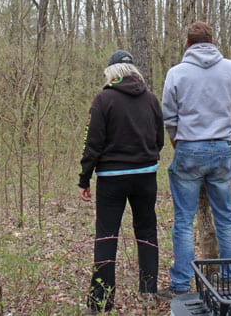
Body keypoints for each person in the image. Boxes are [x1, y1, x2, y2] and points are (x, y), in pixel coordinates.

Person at [160, 21, 231, 297]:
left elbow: (169, 117)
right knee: (225, 216)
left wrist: (177, 142)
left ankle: (181, 284)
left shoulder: (176, 73)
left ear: (187, 44)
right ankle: (230, 276)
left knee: (183, 220)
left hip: (188, 149)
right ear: (212, 42)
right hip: (222, 149)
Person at [78, 50, 164, 313]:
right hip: (145, 176)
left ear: (111, 72)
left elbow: (93, 143)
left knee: (106, 235)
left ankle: (101, 302)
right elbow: (159, 139)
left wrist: (85, 178)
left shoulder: (103, 99)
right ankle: (148, 292)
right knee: (147, 232)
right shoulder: (150, 99)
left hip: (111, 180)